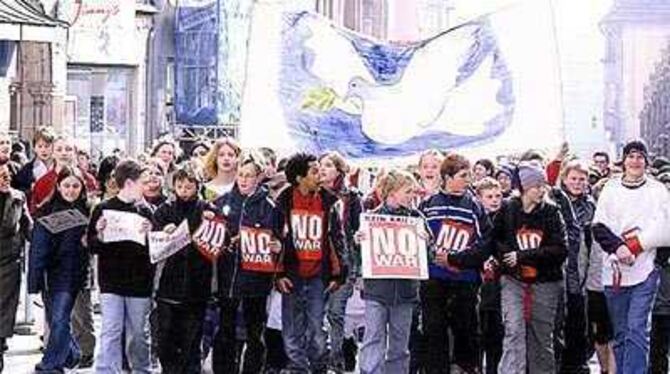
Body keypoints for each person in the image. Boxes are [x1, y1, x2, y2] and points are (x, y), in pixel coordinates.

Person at [592, 140, 670, 374]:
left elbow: (666, 226)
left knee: (637, 327)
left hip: (646, 268)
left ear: (646, 161)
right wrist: (618, 248)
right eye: (631, 156)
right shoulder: (611, 189)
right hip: (615, 270)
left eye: (640, 157)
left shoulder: (658, 190)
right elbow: (599, 226)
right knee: (621, 331)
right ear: (624, 161)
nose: (635, 161)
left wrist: (649, 254)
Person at [419, 152, 492, 374]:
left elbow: (486, 242)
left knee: (467, 332)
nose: (468, 180)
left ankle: (467, 369)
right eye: (463, 175)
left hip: (465, 280)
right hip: (433, 280)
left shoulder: (474, 206)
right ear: (447, 176)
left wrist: (455, 258)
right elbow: (415, 239)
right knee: (434, 331)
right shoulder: (428, 205)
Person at [274, 152, 345, 373]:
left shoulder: (329, 202)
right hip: (292, 275)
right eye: (314, 171)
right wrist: (279, 274)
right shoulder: (282, 202)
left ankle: (318, 367)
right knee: (292, 328)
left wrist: (338, 274)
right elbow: (276, 240)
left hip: (318, 276)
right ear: (299, 178)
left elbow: (337, 240)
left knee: (317, 327)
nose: (320, 174)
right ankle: (297, 368)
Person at [213, 152, 282, 374]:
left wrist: (277, 246)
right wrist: (226, 240)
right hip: (229, 277)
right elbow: (211, 236)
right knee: (225, 330)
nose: (243, 179)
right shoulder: (221, 202)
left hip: (256, 280)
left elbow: (280, 239)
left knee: (254, 332)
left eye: (249, 175)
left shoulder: (270, 207)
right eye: (240, 174)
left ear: (258, 178)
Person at [357, 170, 427, 374]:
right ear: (392, 192)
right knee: (373, 339)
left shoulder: (417, 218)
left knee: (399, 344)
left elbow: (429, 257)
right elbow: (358, 257)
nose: (411, 195)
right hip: (376, 291)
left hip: (405, 293)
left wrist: (425, 242)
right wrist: (358, 242)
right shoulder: (371, 219)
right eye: (407, 191)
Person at [87, 160, 155, 373]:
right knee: (111, 329)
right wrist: (98, 232)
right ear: (129, 183)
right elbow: (92, 245)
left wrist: (151, 233)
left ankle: (141, 369)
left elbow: (154, 250)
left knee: (138, 332)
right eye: (142, 182)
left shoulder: (147, 211)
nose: (146, 186)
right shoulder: (103, 208)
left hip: (139, 281)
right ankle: (107, 370)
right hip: (111, 281)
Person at [153, 164, 216, 373]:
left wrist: (212, 222)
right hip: (168, 285)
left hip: (197, 285)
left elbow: (219, 240)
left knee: (191, 337)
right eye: (180, 186)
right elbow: (153, 244)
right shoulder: (165, 210)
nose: (184, 191)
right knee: (166, 337)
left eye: (189, 186)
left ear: (197, 186)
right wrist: (163, 232)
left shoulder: (206, 209)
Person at [28, 166, 90, 372]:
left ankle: (50, 364)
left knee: (60, 318)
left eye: (75, 186)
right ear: (58, 186)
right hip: (50, 275)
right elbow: (38, 249)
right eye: (67, 185)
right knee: (56, 319)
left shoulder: (88, 211)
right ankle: (72, 353)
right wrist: (34, 281)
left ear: (82, 188)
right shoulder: (46, 211)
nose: (71, 190)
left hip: (73, 275)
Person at [318, 151, 363, 373]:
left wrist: (358, 270)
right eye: (320, 165)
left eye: (328, 165)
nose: (323, 168)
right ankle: (318, 359)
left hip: (344, 263)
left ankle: (335, 362)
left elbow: (358, 230)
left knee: (336, 313)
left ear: (339, 170)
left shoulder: (352, 197)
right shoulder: (310, 193)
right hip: (316, 263)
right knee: (315, 314)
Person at [0, 161, 31, 372]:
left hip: (9, 262)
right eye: (1, 175)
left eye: (7, 175)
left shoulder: (18, 198)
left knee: (4, 310)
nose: (5, 178)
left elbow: (29, 227)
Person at [474, 177, 504, 374]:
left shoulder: (505, 219)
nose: (494, 200)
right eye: (489, 196)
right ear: (479, 198)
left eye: (498, 196)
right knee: (476, 338)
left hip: (499, 289)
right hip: (477, 289)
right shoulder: (474, 220)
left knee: (496, 339)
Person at [14, 126, 55, 197]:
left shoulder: (59, 167)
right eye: (40, 146)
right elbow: (18, 190)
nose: (43, 150)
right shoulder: (26, 170)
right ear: (34, 148)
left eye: (47, 146)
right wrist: (31, 189)